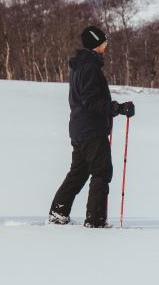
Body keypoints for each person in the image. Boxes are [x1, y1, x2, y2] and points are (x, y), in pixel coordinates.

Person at [49, 26, 134, 228]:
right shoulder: (89, 67)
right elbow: (90, 101)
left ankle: (58, 212)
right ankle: (95, 219)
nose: (106, 45)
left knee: (78, 172)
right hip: (91, 130)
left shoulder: (81, 66)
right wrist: (118, 108)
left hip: (81, 129)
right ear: (96, 44)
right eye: (104, 42)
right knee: (102, 171)